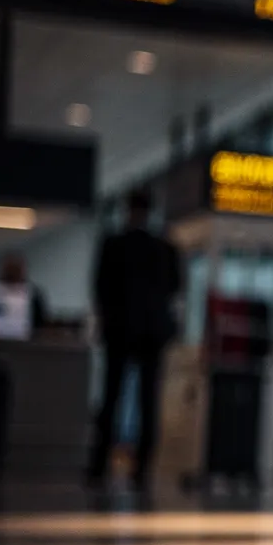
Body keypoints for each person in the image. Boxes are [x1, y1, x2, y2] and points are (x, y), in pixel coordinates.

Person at [88, 189, 182, 490]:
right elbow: (175, 287)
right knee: (148, 400)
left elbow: (100, 288)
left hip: (120, 330)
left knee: (111, 396)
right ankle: (142, 468)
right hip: (152, 333)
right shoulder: (164, 248)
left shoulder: (114, 245)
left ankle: (99, 464)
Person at [0, 252, 49, 341]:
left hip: (26, 344)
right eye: (10, 270)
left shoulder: (33, 295)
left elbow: (40, 323)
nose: (12, 273)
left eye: (15, 270)